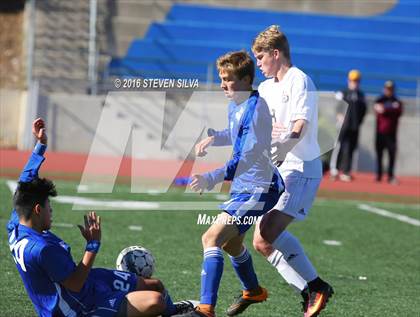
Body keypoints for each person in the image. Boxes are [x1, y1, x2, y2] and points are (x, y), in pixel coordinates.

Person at [7, 118, 195, 317]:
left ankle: (172, 311)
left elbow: (24, 182)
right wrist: (92, 245)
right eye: (48, 207)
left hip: (90, 283)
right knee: (155, 300)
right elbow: (75, 284)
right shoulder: (42, 249)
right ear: (37, 209)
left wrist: (40, 145)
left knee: (155, 286)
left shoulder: (16, 224)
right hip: (77, 308)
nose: (51, 211)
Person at [225, 25, 333, 317]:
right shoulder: (267, 88)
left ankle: (316, 287)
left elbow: (300, 124)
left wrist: (285, 147)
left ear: (276, 53)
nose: (257, 63)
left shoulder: (300, 80)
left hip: (299, 167)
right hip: (276, 172)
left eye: (260, 57)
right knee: (261, 241)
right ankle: (311, 290)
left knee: (267, 232)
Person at [175, 51, 283, 317]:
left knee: (210, 237)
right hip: (246, 187)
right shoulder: (236, 103)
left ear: (247, 79)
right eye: (222, 79)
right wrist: (214, 137)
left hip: (259, 188)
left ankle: (205, 310)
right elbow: (235, 135)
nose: (223, 84)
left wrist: (211, 177)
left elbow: (244, 156)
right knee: (230, 245)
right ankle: (253, 290)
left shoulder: (256, 109)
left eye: (229, 79)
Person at [330, 69, 367, 182]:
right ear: (348, 80)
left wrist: (359, 122)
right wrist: (339, 115)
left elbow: (363, 110)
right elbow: (337, 107)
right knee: (339, 146)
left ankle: (346, 171)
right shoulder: (343, 93)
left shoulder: (360, 95)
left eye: (356, 81)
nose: (354, 83)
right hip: (343, 126)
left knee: (351, 148)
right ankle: (334, 169)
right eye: (352, 80)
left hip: (354, 126)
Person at [374, 80, 403, 184]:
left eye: (390, 89)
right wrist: (389, 108)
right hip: (380, 133)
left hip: (391, 134)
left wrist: (386, 109)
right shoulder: (379, 99)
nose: (388, 91)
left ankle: (390, 176)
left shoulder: (397, 101)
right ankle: (379, 175)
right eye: (387, 89)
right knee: (379, 155)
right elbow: (377, 109)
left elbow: (398, 110)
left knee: (391, 155)